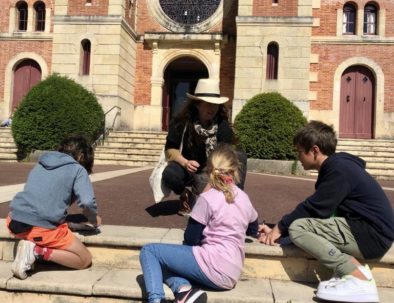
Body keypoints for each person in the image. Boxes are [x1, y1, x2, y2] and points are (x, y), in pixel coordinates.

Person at [259, 121, 394, 303]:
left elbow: (313, 208)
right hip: (371, 233)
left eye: (299, 151)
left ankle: (355, 274)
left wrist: (280, 228)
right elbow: (321, 216)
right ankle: (352, 270)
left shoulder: (338, 169)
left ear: (314, 150)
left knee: (298, 228)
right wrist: (279, 233)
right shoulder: (339, 166)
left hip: (370, 236)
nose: (298, 157)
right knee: (299, 227)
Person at [140, 144, 259, 303]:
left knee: (149, 252)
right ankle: (184, 291)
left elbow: (191, 239)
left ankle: (155, 300)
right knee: (162, 265)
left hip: (212, 265)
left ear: (209, 170)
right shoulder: (244, 198)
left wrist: (203, 196)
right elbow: (253, 228)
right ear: (235, 171)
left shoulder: (207, 198)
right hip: (232, 272)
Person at [6, 135, 101, 280]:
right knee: (84, 259)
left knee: (58, 223)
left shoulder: (42, 163)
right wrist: (93, 218)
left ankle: (32, 245)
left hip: (14, 220)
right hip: (39, 228)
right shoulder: (77, 169)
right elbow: (87, 202)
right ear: (82, 156)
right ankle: (37, 252)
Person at [163, 78, 247, 215]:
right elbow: (170, 149)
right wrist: (185, 163)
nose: (212, 108)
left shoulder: (222, 126)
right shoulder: (181, 122)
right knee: (170, 174)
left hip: (211, 170)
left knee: (239, 155)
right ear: (197, 104)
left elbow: (225, 156)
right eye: (208, 104)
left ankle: (235, 200)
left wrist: (213, 174)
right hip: (187, 168)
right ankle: (186, 195)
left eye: (215, 104)